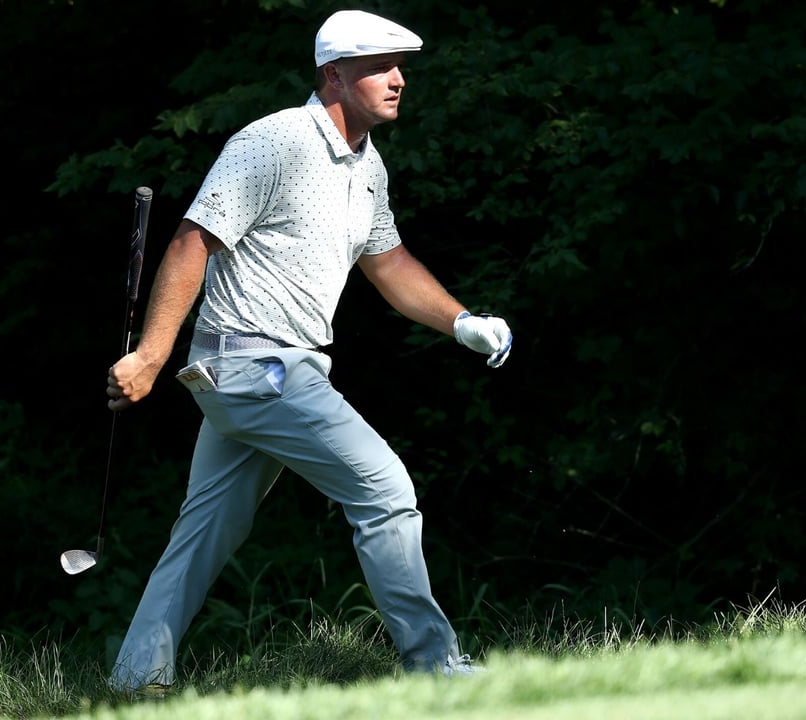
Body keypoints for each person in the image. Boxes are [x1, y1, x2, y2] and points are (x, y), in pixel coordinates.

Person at [103, 8, 513, 694]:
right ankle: (434, 666)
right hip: (257, 368)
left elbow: (387, 262)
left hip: (257, 375)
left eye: (400, 66)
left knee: (204, 531)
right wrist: (149, 355)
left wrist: (462, 321)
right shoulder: (276, 141)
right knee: (386, 489)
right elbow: (190, 243)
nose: (398, 79)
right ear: (333, 75)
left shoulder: (366, 165)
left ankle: (136, 675)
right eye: (379, 67)